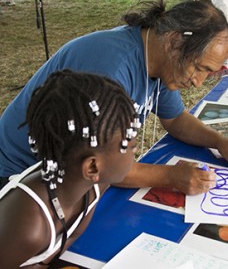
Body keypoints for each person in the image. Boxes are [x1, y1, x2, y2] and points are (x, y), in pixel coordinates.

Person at [0, 0, 228, 196]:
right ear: (174, 42)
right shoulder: (110, 67)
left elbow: (176, 118)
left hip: (66, 171)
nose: (197, 81)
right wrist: (170, 177)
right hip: (19, 175)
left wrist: (220, 142)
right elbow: (99, 165)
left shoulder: (160, 59)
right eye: (200, 68)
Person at [0, 69, 139, 268]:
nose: (137, 150)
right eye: (131, 147)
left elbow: (65, 242)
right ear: (92, 167)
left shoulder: (93, 187)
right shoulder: (27, 226)